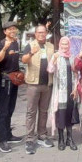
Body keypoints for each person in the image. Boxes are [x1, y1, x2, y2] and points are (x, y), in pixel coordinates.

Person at [22, 25, 54, 154]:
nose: (41, 34)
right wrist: (31, 53)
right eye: (39, 32)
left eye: (43, 32)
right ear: (35, 34)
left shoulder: (50, 46)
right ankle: (29, 139)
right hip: (33, 84)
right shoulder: (30, 45)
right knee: (31, 112)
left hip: (47, 84)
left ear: (46, 33)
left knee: (44, 111)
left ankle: (42, 135)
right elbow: (24, 60)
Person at [0, 21, 23, 152]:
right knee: (3, 110)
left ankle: (8, 134)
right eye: (10, 29)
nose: (12, 31)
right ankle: (2, 140)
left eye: (14, 28)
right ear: (5, 31)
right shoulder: (2, 43)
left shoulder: (16, 42)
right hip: (4, 80)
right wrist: (5, 48)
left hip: (15, 79)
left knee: (11, 108)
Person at [47, 36, 78, 151]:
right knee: (61, 114)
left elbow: (76, 74)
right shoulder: (57, 56)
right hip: (60, 92)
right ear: (60, 45)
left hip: (70, 91)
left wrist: (75, 88)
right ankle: (61, 139)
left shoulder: (72, 57)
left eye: (66, 44)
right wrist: (54, 60)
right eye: (63, 44)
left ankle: (70, 139)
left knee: (69, 114)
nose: (65, 46)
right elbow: (50, 70)